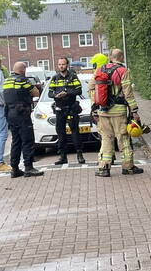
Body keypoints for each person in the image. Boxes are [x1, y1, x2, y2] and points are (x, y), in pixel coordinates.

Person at [93, 48, 142, 177]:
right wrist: (134, 110)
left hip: (102, 111)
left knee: (106, 139)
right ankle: (128, 167)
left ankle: (104, 167)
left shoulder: (100, 69)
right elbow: (128, 93)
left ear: (110, 57)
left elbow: (92, 88)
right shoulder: (123, 71)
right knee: (123, 138)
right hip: (118, 112)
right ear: (121, 57)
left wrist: (95, 109)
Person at [3, 61, 42, 177]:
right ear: (23, 70)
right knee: (27, 140)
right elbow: (36, 93)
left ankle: (14, 169)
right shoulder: (23, 80)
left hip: (10, 114)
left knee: (16, 141)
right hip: (22, 114)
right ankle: (28, 167)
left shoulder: (6, 81)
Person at [50, 57, 86, 165]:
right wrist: (56, 95)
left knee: (75, 133)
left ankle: (79, 155)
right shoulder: (55, 78)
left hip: (71, 108)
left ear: (67, 65)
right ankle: (62, 157)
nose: (61, 66)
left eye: (63, 64)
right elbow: (50, 93)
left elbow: (79, 90)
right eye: (59, 64)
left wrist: (67, 93)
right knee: (61, 133)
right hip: (60, 109)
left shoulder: (73, 77)